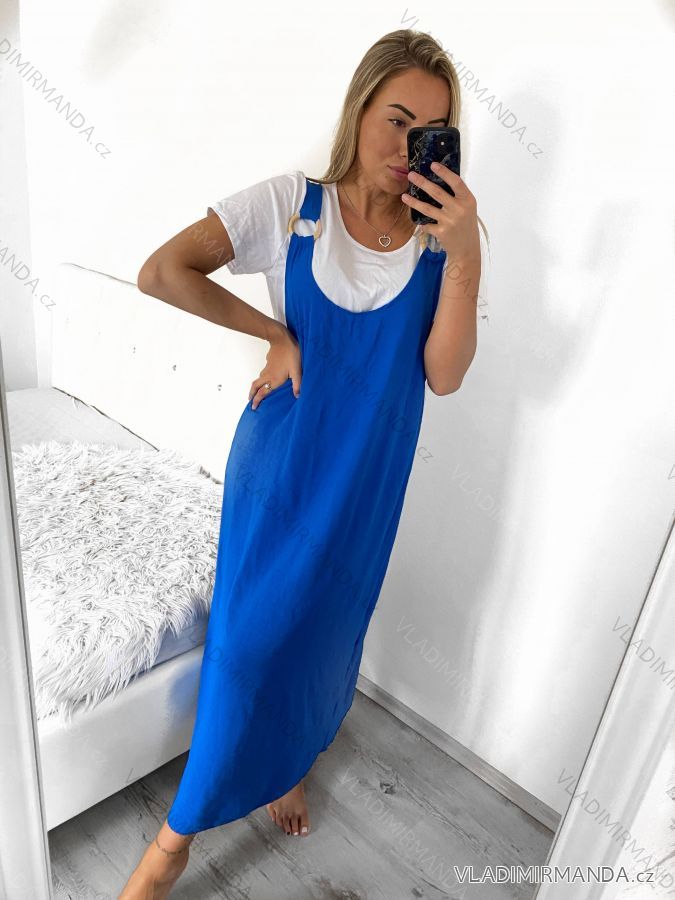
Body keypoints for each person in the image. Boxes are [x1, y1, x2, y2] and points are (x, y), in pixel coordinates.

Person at [120, 27, 485, 899]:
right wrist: (272, 333)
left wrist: (467, 251)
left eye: (430, 131)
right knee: (246, 647)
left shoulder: (445, 238)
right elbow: (162, 271)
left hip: (366, 483)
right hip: (280, 469)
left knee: (325, 634)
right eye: (395, 120)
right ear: (359, 109)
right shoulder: (292, 205)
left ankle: (288, 764)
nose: (407, 146)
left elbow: (443, 375)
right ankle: (172, 845)